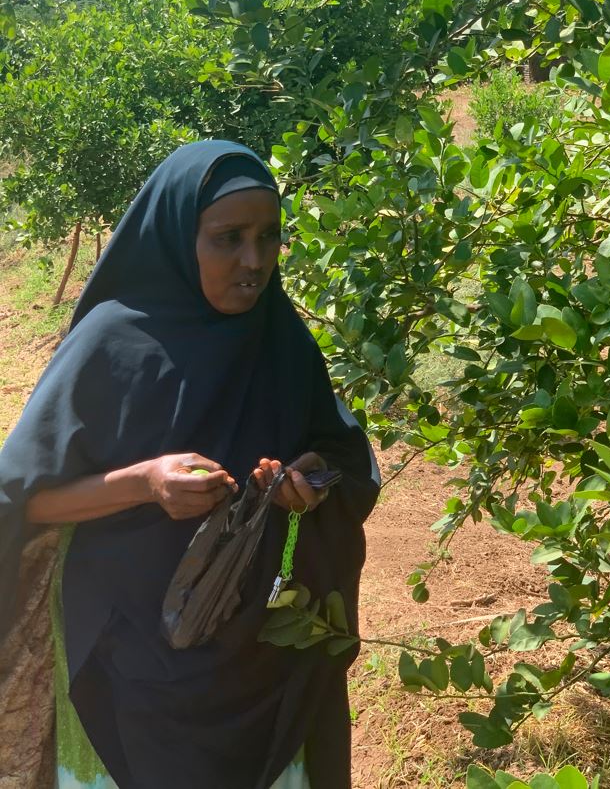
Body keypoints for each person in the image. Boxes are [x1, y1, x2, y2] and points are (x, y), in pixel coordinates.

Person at [0, 141, 380, 789]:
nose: (253, 262)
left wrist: (305, 483)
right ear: (180, 235)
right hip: (131, 665)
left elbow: (343, 459)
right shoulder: (112, 344)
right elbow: (24, 497)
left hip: (263, 663)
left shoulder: (281, 338)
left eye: (268, 237)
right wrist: (145, 483)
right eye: (227, 239)